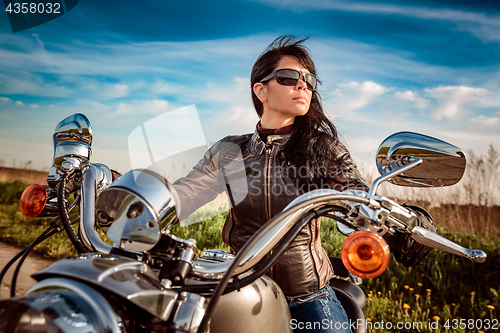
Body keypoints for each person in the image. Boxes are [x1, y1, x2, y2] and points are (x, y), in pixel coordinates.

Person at [172, 35, 435, 333]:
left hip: (308, 298)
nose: (303, 85)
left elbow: (353, 191)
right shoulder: (230, 151)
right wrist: (128, 196)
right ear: (261, 90)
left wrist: (396, 222)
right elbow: (186, 192)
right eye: (289, 77)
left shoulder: (322, 150)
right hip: (241, 289)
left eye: (309, 80)